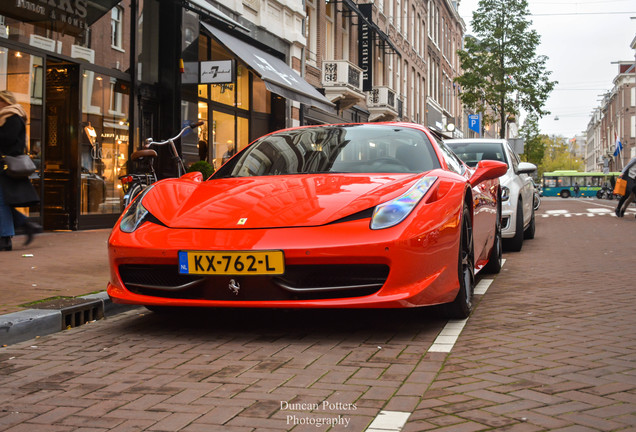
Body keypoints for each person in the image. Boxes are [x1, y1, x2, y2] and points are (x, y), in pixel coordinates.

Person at [0, 90, 42, 251]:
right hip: (6, 165)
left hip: (7, 165)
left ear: (5, 102)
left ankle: (5, 239)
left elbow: (8, 140)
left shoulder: (12, 116)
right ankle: (26, 224)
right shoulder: (6, 116)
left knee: (1, 202)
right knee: (2, 202)